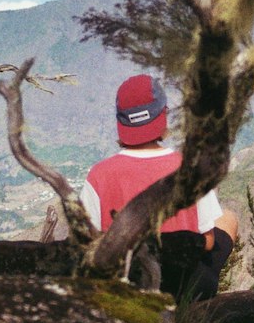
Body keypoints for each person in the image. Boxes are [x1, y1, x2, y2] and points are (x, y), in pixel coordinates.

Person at [80, 74, 238, 300]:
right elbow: (209, 241)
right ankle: (200, 311)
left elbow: (88, 245)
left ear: (121, 123)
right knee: (229, 218)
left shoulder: (98, 176)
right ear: (162, 116)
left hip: (125, 290)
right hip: (183, 289)